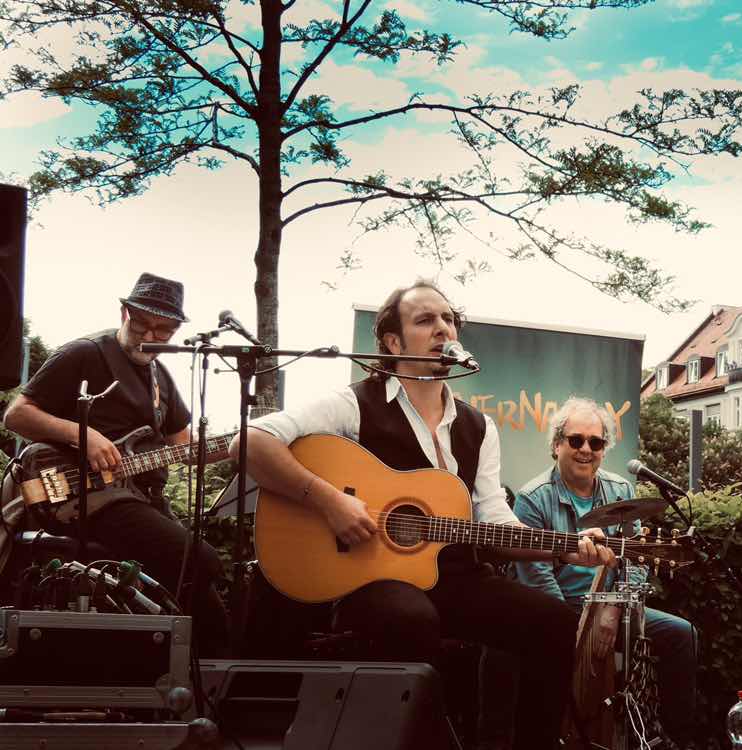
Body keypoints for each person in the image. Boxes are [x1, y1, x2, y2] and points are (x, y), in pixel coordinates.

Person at [238, 280, 615, 750]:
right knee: (410, 619)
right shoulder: (354, 403)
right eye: (425, 320)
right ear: (393, 343)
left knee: (554, 623)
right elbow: (251, 442)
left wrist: (563, 549)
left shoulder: (478, 426)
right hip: (370, 576)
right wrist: (329, 501)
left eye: (448, 319)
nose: (443, 329)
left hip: (453, 576)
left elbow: (495, 522)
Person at [3, 272, 230, 654]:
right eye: (142, 324)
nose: (150, 336)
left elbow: (184, 445)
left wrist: (246, 444)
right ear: (125, 312)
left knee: (207, 605)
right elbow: (17, 415)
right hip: (85, 493)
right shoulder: (85, 353)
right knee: (200, 560)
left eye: (163, 330)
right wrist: (83, 434)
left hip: (139, 496)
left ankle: (191, 678)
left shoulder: (160, 376)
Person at [514, 396, 698, 748]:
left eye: (596, 443)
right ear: (556, 445)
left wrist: (614, 608)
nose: (586, 449)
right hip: (560, 608)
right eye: (576, 440)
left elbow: (636, 558)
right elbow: (535, 576)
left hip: (614, 607)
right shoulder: (533, 498)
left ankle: (673, 739)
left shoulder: (621, 490)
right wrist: (583, 625)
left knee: (682, 634)